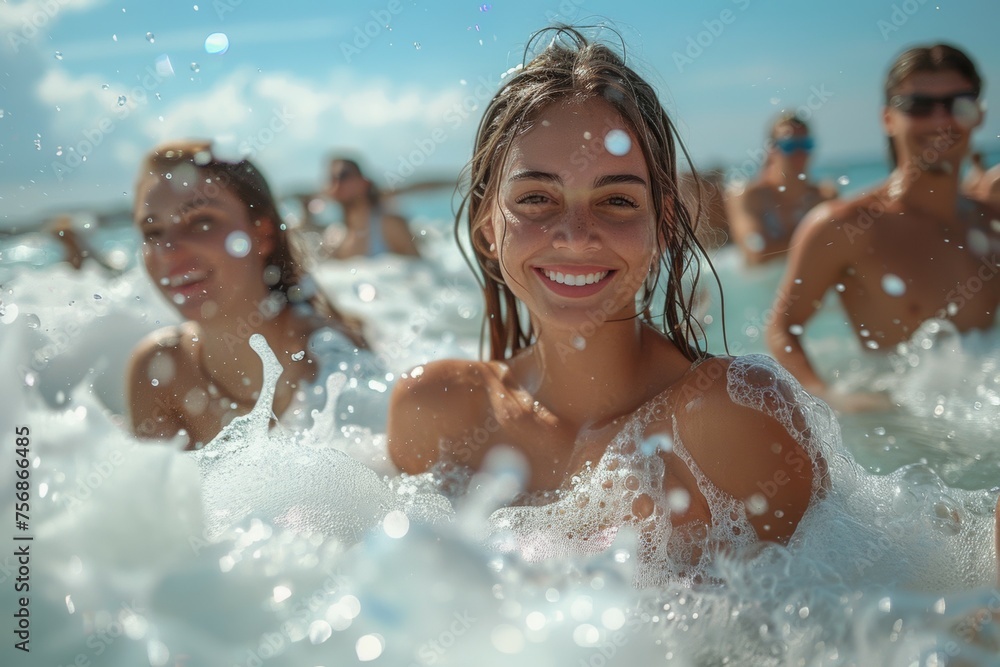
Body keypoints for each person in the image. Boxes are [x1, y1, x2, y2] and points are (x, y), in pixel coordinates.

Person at [387, 27, 826, 580]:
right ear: (487, 230)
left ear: (663, 224)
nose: (575, 234)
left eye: (616, 199)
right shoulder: (433, 413)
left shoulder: (733, 416)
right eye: (536, 198)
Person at [767, 43, 1000, 411]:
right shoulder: (844, 226)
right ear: (888, 119)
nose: (941, 120)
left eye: (958, 103)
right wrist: (831, 401)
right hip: (905, 442)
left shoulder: (992, 220)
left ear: (978, 114)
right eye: (919, 106)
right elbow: (782, 329)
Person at [126, 140, 371, 450]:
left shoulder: (330, 361)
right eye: (153, 232)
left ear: (262, 235)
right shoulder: (157, 371)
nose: (168, 251)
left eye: (201, 222)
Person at [725, 113, 836, 265]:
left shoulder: (825, 196)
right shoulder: (748, 196)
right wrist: (815, 236)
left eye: (805, 145)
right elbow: (757, 255)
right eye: (790, 145)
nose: (799, 154)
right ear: (772, 149)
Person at [300, 156, 421, 259]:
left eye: (343, 176)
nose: (338, 184)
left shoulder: (391, 225)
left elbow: (421, 275)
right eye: (332, 179)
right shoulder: (335, 237)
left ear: (364, 182)